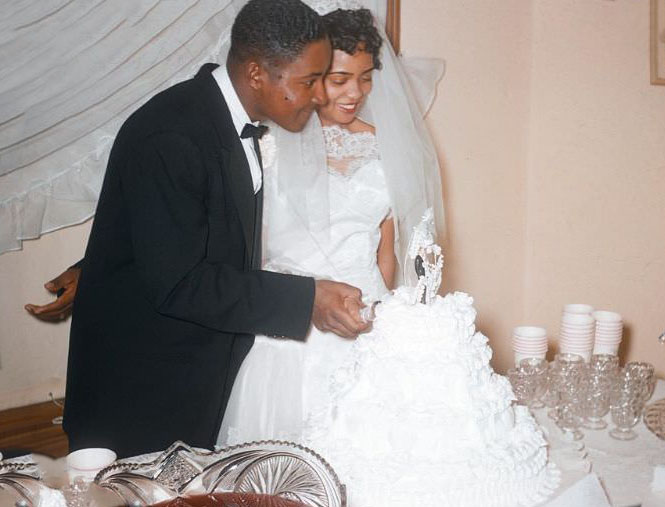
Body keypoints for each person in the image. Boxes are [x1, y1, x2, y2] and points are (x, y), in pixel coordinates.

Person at [59, 0, 369, 458]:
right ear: (257, 73)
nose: (320, 96)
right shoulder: (173, 134)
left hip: (197, 370)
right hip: (142, 389)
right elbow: (180, 281)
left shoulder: (222, 120)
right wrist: (307, 298)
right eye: (309, 81)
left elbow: (182, 228)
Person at [216, 6, 441, 445]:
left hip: (365, 321)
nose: (355, 92)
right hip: (290, 330)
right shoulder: (267, 145)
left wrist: (382, 324)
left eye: (366, 77)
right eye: (340, 80)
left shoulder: (385, 146)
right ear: (313, 77)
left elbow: (386, 252)